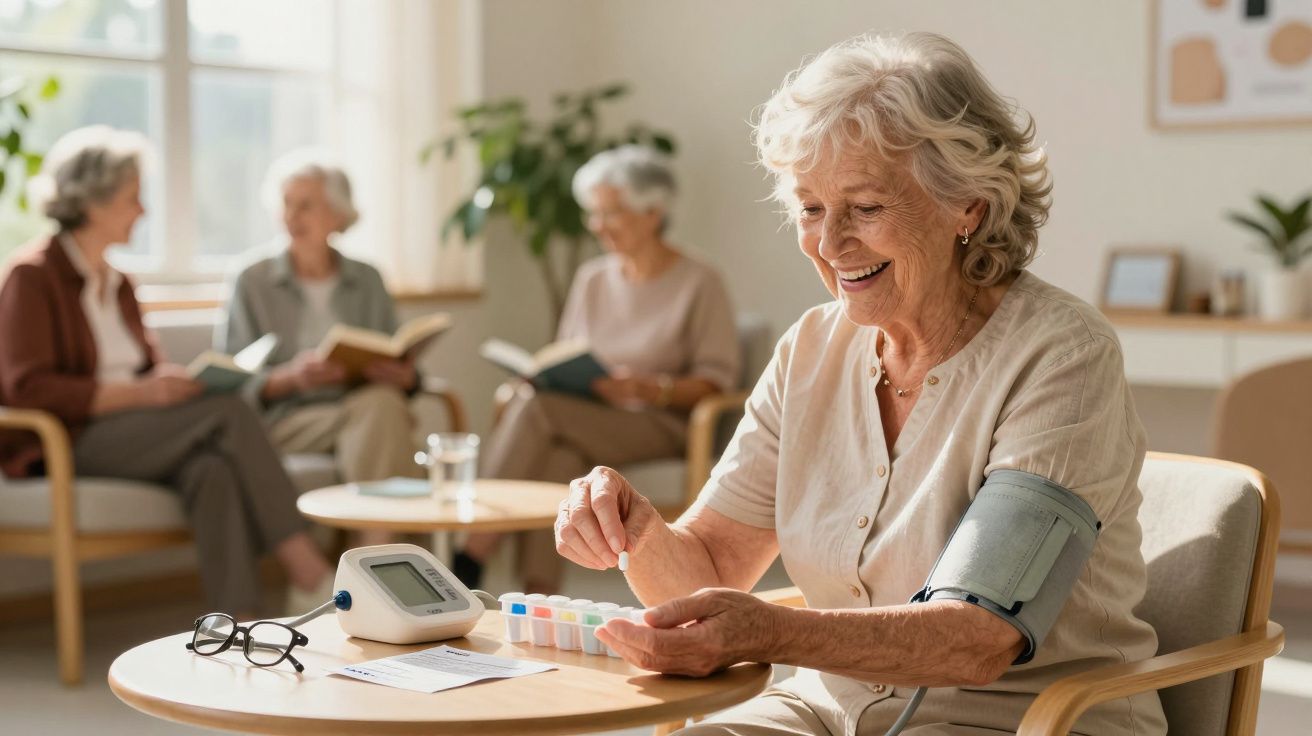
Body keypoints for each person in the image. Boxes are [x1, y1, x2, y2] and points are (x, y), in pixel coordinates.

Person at [555, 33, 1167, 735]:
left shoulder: (1061, 355)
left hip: (1019, 718)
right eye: (811, 208)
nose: (829, 242)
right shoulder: (812, 349)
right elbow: (708, 571)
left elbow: (979, 636)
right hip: (833, 710)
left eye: (867, 208)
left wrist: (769, 634)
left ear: (967, 203)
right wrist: (636, 529)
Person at [0, 127, 333, 618]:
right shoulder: (32, 276)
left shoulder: (118, 282)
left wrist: (172, 381)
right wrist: (139, 394)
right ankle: (308, 569)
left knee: (211, 470)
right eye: (133, 198)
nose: (144, 211)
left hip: (133, 432)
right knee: (227, 411)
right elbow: (27, 388)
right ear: (93, 203)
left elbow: (146, 366)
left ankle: (235, 627)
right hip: (68, 438)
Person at [456, 145, 741, 592]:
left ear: (652, 213)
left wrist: (648, 389)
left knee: (538, 410)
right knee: (559, 457)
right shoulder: (592, 278)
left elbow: (716, 382)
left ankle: (470, 552)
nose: (597, 226)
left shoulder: (699, 281)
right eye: (594, 213)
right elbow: (566, 354)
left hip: (664, 422)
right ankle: (537, 598)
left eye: (612, 213)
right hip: (587, 418)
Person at [218, 150, 424, 525]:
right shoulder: (252, 280)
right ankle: (383, 553)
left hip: (360, 409)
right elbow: (230, 377)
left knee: (381, 405)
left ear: (337, 214)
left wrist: (407, 377)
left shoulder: (368, 279)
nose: (291, 217)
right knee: (385, 413)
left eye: (306, 206)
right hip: (288, 417)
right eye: (286, 204)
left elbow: (395, 352)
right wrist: (292, 378)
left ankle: (368, 555)